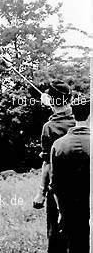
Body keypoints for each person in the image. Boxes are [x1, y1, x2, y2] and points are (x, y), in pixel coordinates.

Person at [32, 81, 76, 253]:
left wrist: (41, 193)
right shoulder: (79, 122)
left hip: (58, 191)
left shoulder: (49, 128)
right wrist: (52, 101)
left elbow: (48, 164)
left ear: (51, 100)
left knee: (56, 235)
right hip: (83, 188)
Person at [50, 97, 90, 252]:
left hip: (70, 211)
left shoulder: (59, 145)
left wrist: (61, 211)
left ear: (74, 114)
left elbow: (56, 184)